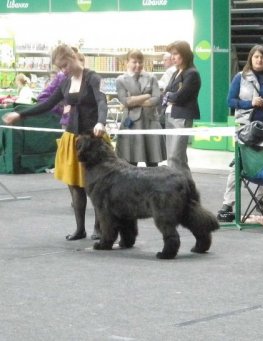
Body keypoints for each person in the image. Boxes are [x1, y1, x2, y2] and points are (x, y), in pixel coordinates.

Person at [2, 44, 108, 241]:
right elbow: (47, 104)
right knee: (74, 186)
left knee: (97, 185)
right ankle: (80, 228)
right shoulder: (66, 82)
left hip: (93, 139)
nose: (63, 70)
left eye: (65, 65)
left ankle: (99, 227)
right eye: (60, 67)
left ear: (73, 57)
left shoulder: (94, 78)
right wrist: (20, 114)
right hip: (71, 138)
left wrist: (101, 122)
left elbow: (102, 102)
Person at [218, 44, 263, 221]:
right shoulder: (240, 77)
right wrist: (250, 103)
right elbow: (230, 101)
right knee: (238, 163)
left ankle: (260, 199)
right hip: (246, 127)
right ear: (250, 58)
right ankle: (227, 205)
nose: (259, 60)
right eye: (256, 57)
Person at [115, 49, 166, 167]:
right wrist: (146, 95)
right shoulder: (120, 80)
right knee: (130, 162)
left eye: (140, 62)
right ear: (127, 62)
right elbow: (125, 101)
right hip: (131, 123)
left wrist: (134, 100)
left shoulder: (151, 77)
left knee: (153, 161)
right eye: (134, 62)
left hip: (150, 121)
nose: (138, 65)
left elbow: (156, 99)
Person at [161, 40, 201, 177]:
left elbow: (179, 97)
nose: (172, 57)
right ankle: (188, 189)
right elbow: (166, 93)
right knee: (178, 159)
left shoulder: (192, 73)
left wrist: (169, 95)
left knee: (174, 158)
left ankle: (175, 190)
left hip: (181, 117)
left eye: (176, 54)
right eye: (171, 54)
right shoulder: (175, 72)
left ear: (185, 54)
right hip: (169, 115)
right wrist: (169, 95)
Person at [157, 51, 177, 128]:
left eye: (165, 60)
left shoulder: (170, 71)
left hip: (168, 103)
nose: (163, 62)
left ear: (171, 60)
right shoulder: (173, 70)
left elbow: (166, 87)